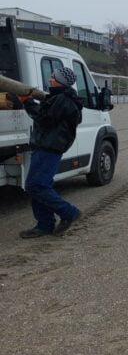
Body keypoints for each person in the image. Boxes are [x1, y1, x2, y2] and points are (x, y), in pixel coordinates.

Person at [15, 67, 84, 238]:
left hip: (49, 148)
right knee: (39, 186)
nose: (50, 78)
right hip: (47, 147)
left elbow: (44, 118)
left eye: (53, 76)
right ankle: (44, 225)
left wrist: (27, 102)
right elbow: (48, 113)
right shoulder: (59, 98)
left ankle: (69, 213)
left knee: (35, 186)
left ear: (60, 81)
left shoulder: (62, 99)